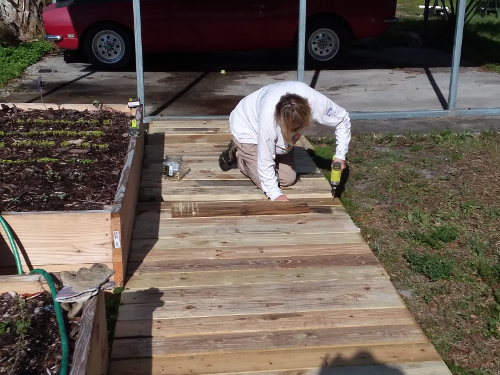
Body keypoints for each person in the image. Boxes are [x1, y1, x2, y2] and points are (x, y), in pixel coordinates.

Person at [219, 81, 351, 201]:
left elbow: (342, 119)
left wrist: (340, 156)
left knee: (288, 178)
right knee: (264, 181)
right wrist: (276, 195)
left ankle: (263, 154)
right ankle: (238, 154)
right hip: (248, 129)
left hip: (276, 136)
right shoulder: (268, 119)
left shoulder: (314, 101)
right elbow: (265, 161)